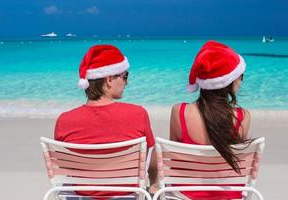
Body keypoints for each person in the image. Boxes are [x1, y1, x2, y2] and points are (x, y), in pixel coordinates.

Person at [54, 44, 156, 197]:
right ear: (109, 79)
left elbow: (64, 164)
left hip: (82, 196)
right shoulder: (137, 114)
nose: (126, 82)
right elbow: (151, 160)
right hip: (126, 196)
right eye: (125, 76)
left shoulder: (65, 120)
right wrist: (153, 184)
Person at [169, 40, 251, 199]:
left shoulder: (180, 112)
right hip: (228, 195)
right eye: (240, 76)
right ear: (230, 80)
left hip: (185, 195)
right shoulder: (243, 117)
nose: (241, 80)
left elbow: (173, 158)